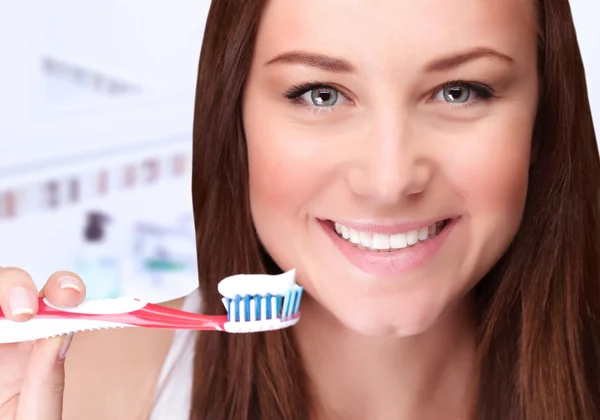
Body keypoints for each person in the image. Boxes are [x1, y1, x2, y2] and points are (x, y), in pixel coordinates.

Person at [1, 0, 599, 419]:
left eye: (459, 91)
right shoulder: (74, 387)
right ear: (234, 121)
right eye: (321, 94)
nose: (388, 180)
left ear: (544, 122)